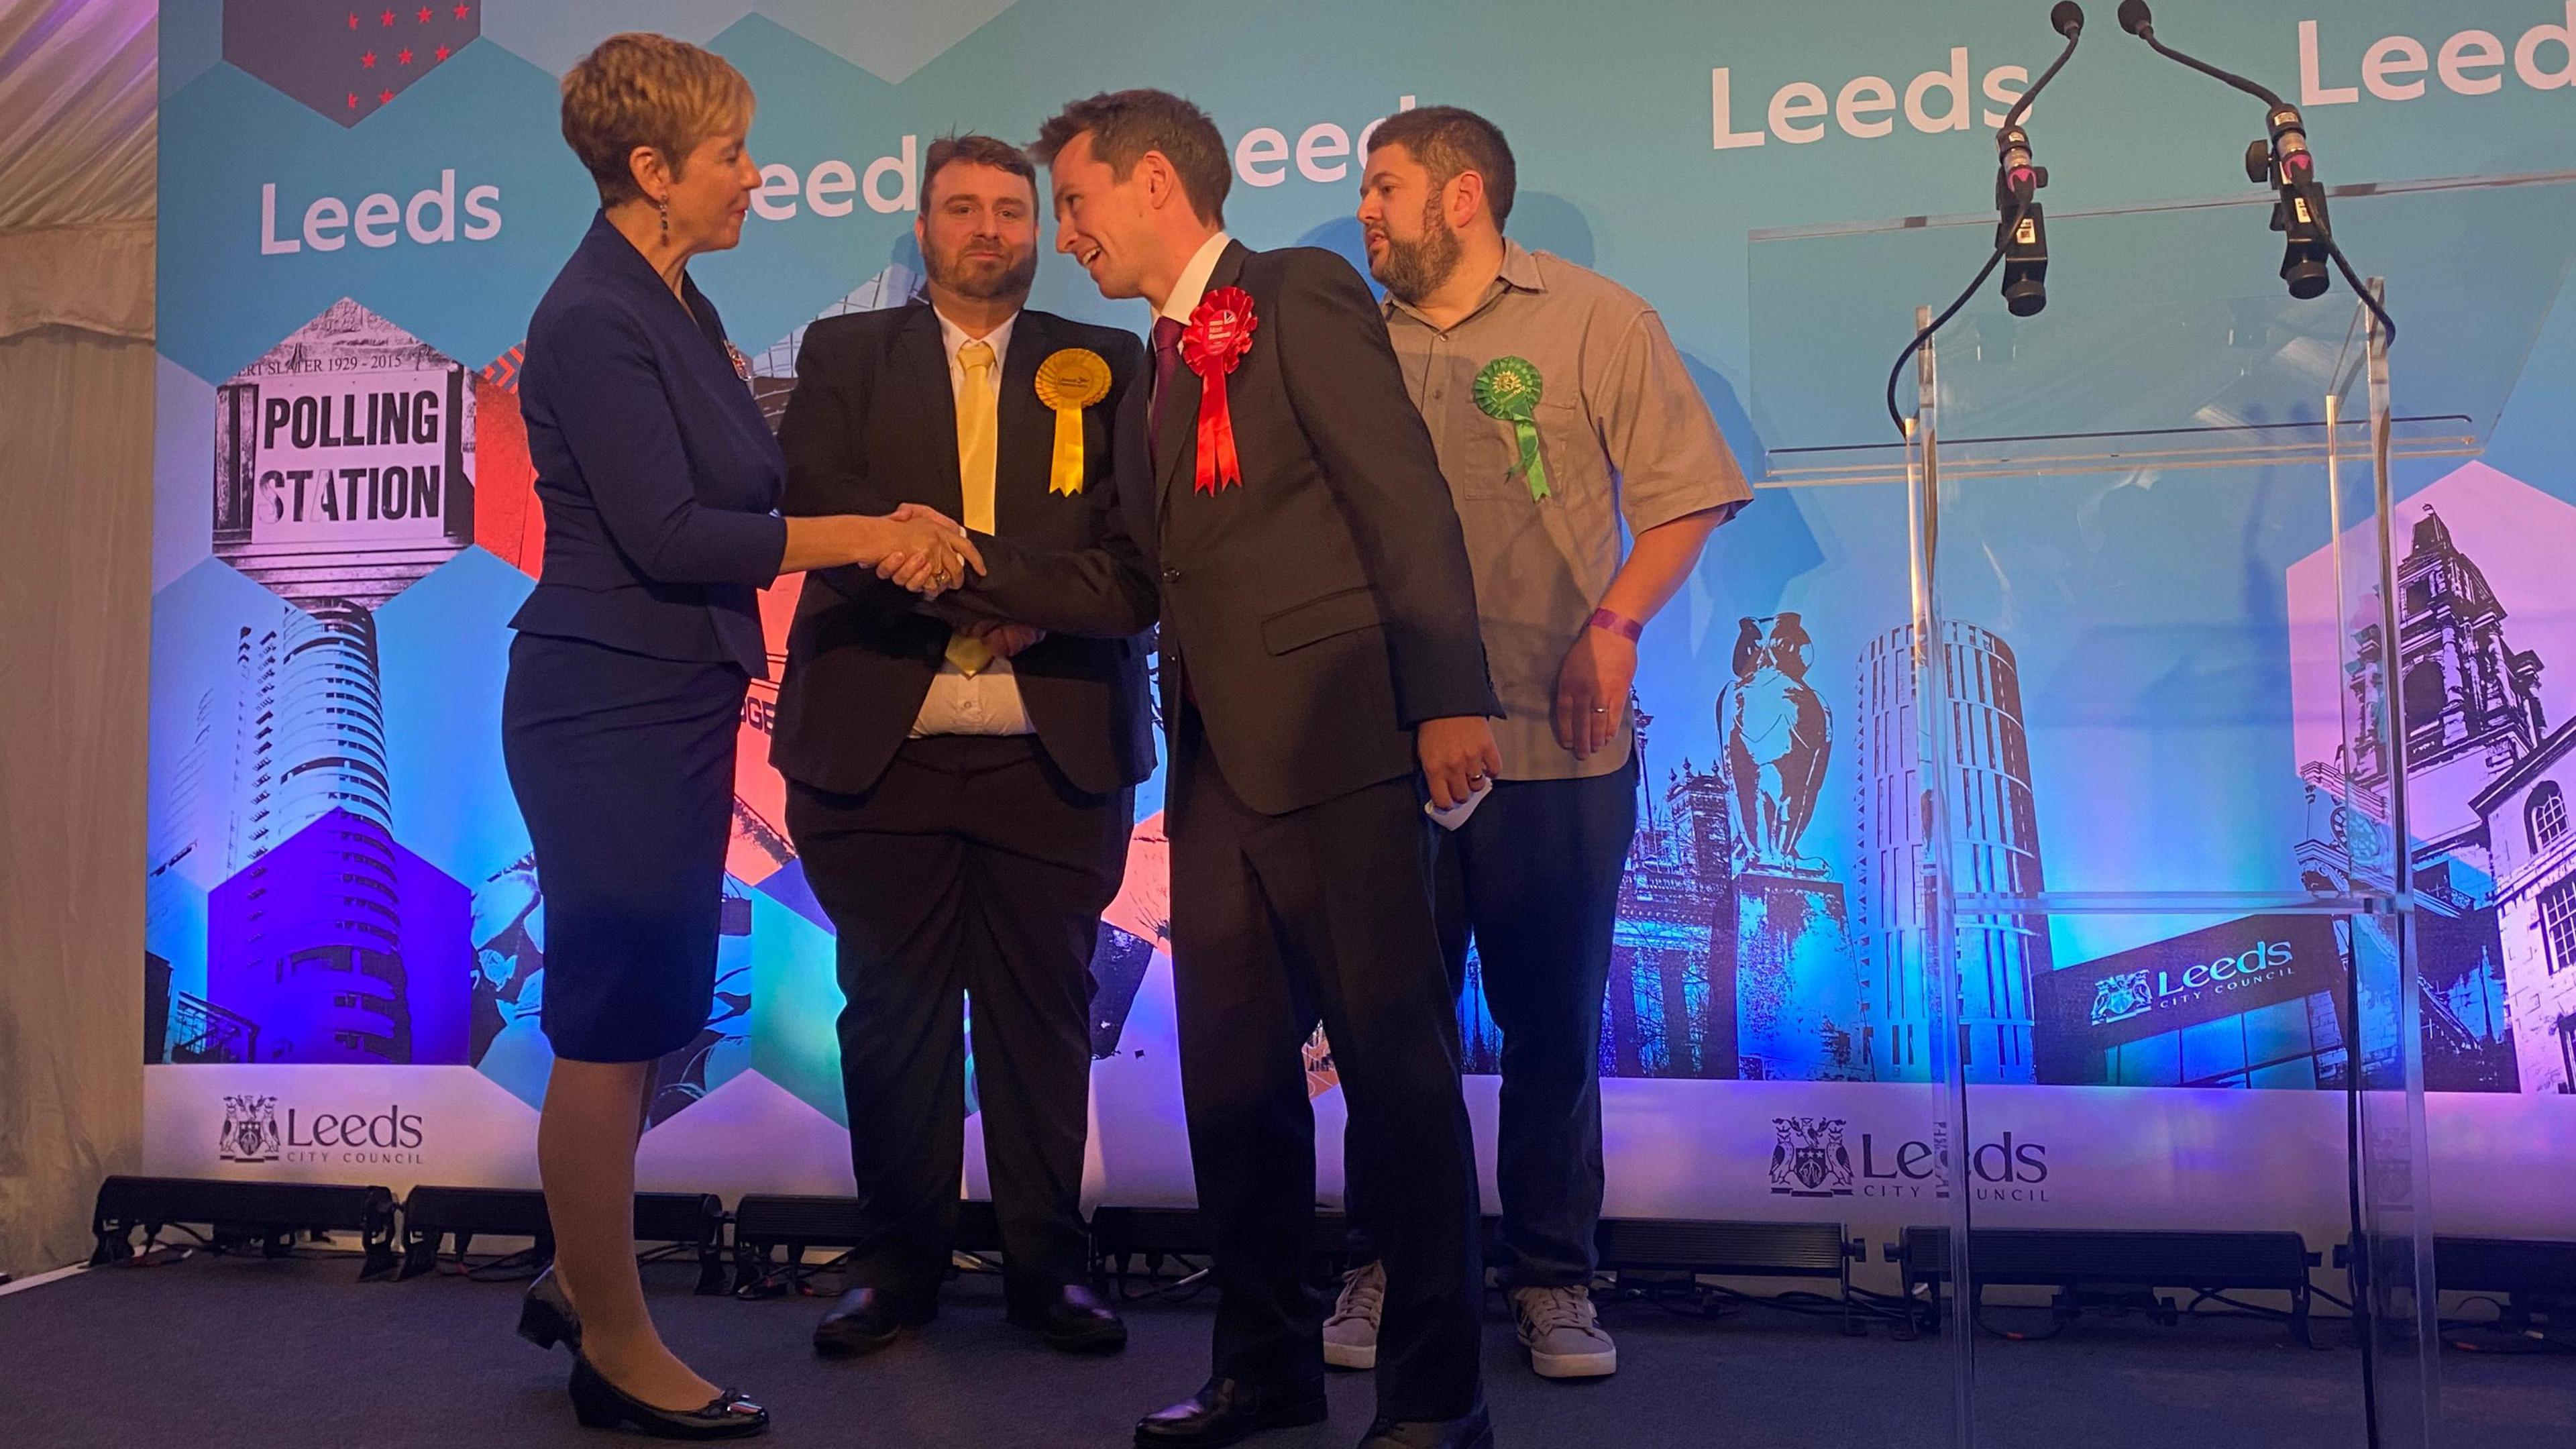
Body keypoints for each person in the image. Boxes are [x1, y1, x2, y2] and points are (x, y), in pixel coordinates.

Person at [947, 89, 1501, 1449]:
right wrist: (973, 562)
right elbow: (1143, 574)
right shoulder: (1155, 367)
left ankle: (1438, 1403)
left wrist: (1445, 700)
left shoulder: (1296, 291)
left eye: (1072, 201)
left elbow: (1402, 495)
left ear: (1152, 184)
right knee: (1235, 1089)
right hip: (1215, 773)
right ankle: (1266, 1371)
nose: (1063, 231)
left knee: (1399, 1079)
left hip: (1344, 747)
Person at [500, 33, 973, 1442]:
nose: (753, 179)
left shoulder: (677, 304)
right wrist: (880, 543)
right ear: (651, 174)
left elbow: (742, 484)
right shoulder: (596, 316)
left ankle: (572, 1277)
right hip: (605, 702)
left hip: (673, 693)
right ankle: (616, 1340)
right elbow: (672, 531)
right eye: (730, 158)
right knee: (610, 1022)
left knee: (642, 1015)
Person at [1323, 105, 1750, 1384]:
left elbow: (1686, 499)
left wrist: (1615, 626)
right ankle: (1384, 1262)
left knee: (1553, 1027)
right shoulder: (1348, 334)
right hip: (1390, 741)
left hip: (1557, 749)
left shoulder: (1598, 320)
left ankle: (1555, 1277)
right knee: (1388, 1027)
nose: (1365, 211)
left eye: (1383, 187)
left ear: (1461, 198)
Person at [770, 133, 1155, 1361]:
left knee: (1044, 1016)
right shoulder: (842, 357)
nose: (988, 229)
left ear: (1039, 229)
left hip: (1054, 751)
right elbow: (821, 518)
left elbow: (1137, 564)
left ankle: (1054, 1270)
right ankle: (895, 1269)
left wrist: (994, 574)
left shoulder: (1110, 361)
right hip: (880, 747)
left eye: (1011, 209)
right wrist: (971, 592)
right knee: (891, 1016)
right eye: (962, 209)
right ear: (922, 225)